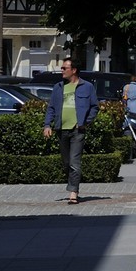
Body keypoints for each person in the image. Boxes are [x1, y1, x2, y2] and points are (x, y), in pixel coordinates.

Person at [42, 57, 99, 205]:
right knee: (66, 162)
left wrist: (86, 122)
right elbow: (51, 108)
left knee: (75, 161)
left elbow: (94, 106)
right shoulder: (58, 87)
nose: (61, 71)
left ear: (73, 70)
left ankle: (73, 192)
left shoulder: (87, 87)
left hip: (77, 130)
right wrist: (47, 125)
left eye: (64, 68)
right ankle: (73, 185)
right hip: (61, 129)